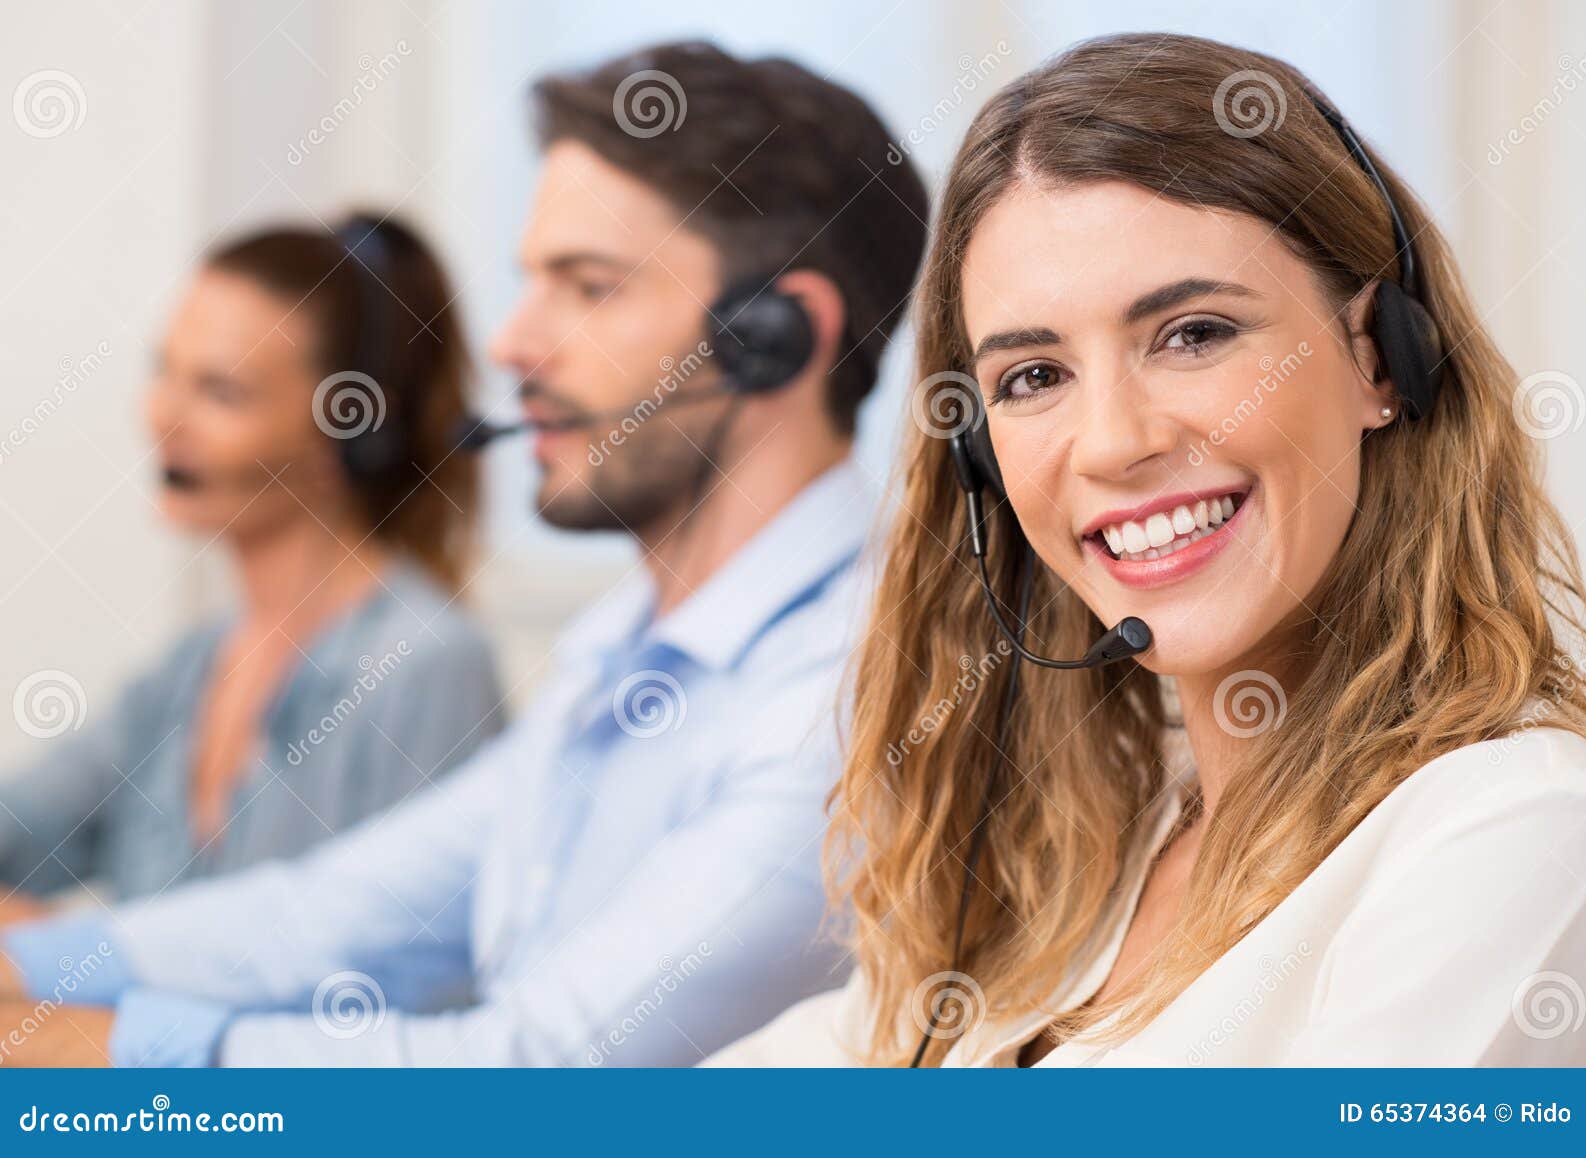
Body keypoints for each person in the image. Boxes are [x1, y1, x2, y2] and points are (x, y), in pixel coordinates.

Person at [0, 40, 929, 1066]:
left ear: (775, 336)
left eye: (588, 286)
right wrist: (36, 972)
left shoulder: (850, 692)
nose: (512, 343)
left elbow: (542, 1073)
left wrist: (88, 1050)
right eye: (531, 283)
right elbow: (327, 918)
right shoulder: (621, 651)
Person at [707, 32, 1586, 1068]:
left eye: (1193, 333)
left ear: (1378, 357)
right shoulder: (1084, 868)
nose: (1116, 443)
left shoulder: (1511, 827)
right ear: (978, 458)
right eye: (1033, 377)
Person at [0, 214, 503, 913]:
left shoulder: (425, 667)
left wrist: (62, 950)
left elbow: (400, 977)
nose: (162, 418)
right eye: (164, 372)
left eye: (220, 392)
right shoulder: (191, 670)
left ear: (348, 434)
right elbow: (17, 833)